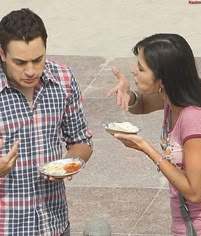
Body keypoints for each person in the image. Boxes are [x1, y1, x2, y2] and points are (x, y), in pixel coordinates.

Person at [107, 33, 201, 236]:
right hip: (187, 227)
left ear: (163, 79)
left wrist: (146, 148)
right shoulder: (173, 98)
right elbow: (141, 105)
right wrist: (129, 94)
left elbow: (195, 192)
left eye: (141, 68)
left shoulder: (194, 120)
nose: (133, 70)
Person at [0, 8, 93, 236]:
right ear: (2, 53)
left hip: (55, 225)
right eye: (20, 62)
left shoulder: (63, 79)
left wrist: (71, 162)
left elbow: (81, 140)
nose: (31, 70)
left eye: (38, 59)